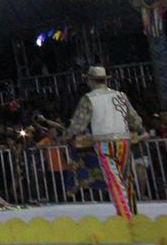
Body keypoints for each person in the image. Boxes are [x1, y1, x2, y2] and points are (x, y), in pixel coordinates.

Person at [65, 65, 146, 220]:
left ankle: (124, 215)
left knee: (113, 179)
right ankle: (132, 211)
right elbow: (135, 119)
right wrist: (140, 129)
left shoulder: (89, 98)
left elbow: (78, 124)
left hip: (104, 143)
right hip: (124, 141)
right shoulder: (120, 95)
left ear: (90, 81)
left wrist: (67, 135)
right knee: (125, 177)